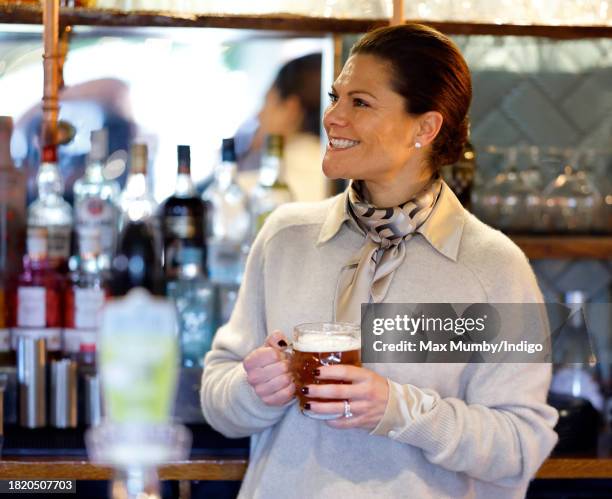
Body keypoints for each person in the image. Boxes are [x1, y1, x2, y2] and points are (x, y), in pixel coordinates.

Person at [201, 24, 558, 499]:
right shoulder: (285, 238)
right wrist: (254, 390)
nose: (332, 117)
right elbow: (217, 398)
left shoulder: (493, 266)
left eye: (360, 103)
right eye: (335, 97)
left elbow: (520, 446)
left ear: (425, 128)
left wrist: (401, 410)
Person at [235, 53, 329, 202]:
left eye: (266, 102)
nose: (259, 115)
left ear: (290, 110)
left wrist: (246, 154)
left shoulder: (250, 192)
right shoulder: (345, 179)